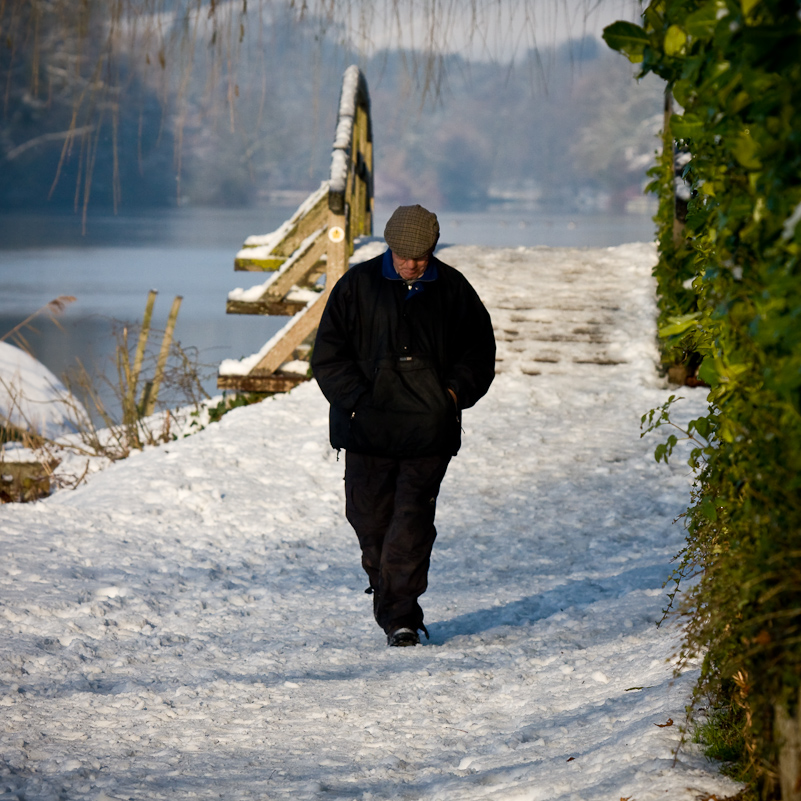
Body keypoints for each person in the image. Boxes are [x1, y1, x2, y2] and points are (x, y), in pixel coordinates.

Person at [311, 204, 496, 647]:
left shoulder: (453, 290)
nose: (412, 263)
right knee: (369, 520)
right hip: (366, 430)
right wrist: (359, 403)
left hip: (429, 432)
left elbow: (479, 356)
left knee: (410, 523)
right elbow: (328, 356)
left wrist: (447, 398)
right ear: (389, 246)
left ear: (432, 249)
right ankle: (390, 594)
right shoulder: (356, 287)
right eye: (403, 255)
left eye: (421, 256)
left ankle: (401, 617)